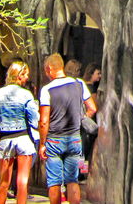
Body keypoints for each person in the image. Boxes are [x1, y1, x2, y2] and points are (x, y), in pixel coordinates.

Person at [37, 53, 96, 204]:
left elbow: (44, 120)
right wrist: (81, 119)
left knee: (54, 182)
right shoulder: (79, 84)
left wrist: (42, 144)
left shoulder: (47, 90)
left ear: (50, 68)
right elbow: (92, 108)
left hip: (54, 140)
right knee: (72, 180)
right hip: (74, 138)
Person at [0, 61, 39, 204]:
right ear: (19, 75)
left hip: (5, 138)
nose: (26, 79)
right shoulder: (27, 95)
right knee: (22, 182)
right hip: (23, 137)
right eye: (25, 75)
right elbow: (34, 121)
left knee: (3, 182)